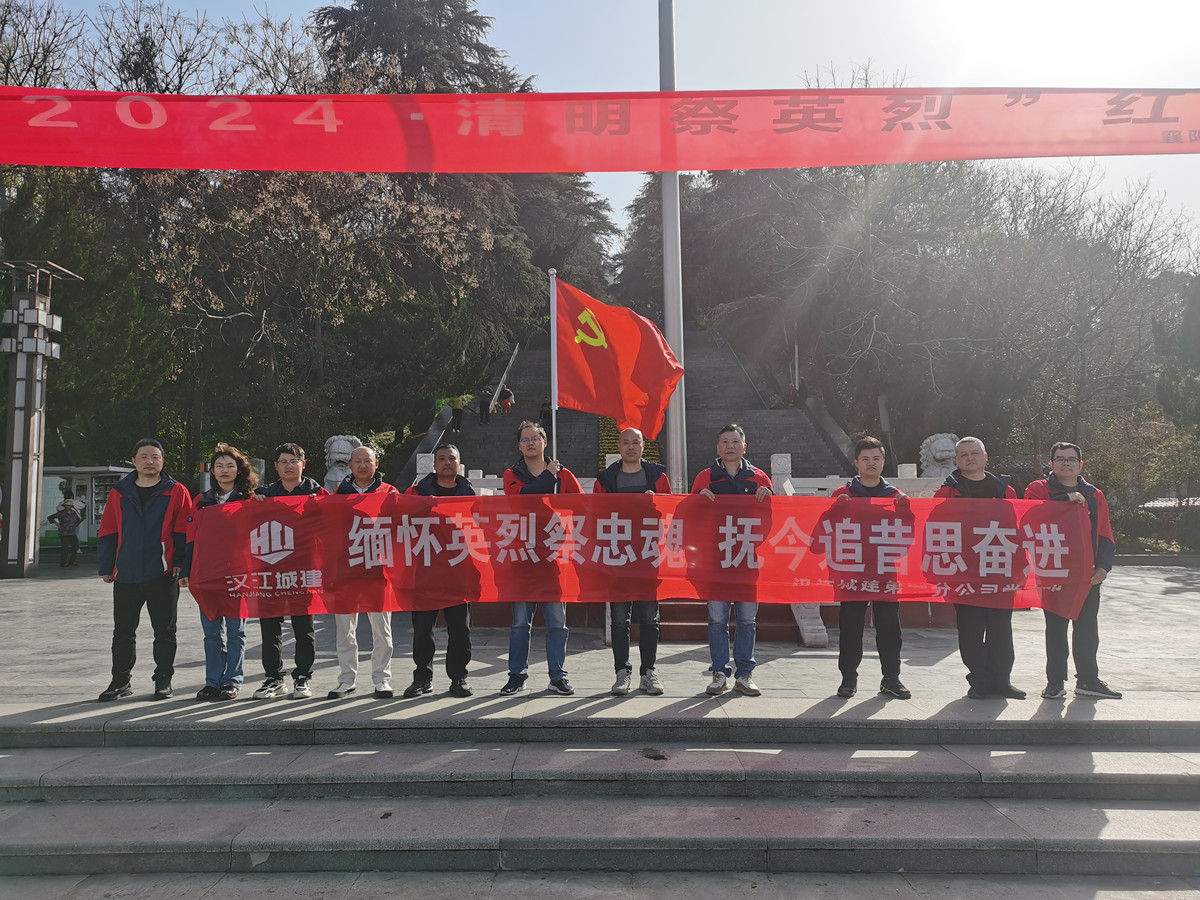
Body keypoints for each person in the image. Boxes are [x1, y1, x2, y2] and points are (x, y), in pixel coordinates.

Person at [96, 439, 192, 702]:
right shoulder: (120, 492)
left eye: (155, 457)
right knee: (123, 632)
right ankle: (120, 681)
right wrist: (106, 565)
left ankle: (163, 680)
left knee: (165, 632)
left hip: (163, 573)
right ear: (133, 461)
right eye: (144, 456)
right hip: (125, 573)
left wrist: (180, 563)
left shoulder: (176, 491)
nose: (150, 461)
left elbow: (184, 530)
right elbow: (108, 529)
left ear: (163, 461)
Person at [1024, 442, 1121, 700]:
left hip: (1087, 574)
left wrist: (1103, 566)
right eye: (1060, 459)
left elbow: (1105, 532)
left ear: (1081, 464)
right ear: (1051, 464)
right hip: (1054, 571)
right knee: (1056, 628)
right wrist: (1065, 499)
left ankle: (1088, 679)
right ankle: (1055, 682)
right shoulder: (1038, 489)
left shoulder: (1094, 494)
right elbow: (1030, 515)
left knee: (1087, 629)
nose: (1065, 463)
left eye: (1071, 459)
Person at [934, 436, 1024, 700]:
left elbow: (1016, 531)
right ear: (957, 460)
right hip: (963, 571)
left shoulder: (1006, 491)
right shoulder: (947, 493)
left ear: (986, 457)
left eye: (974, 453)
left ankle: (1002, 680)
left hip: (999, 568)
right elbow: (934, 531)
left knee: (1001, 627)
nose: (969, 458)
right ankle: (980, 680)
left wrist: (1021, 566)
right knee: (970, 629)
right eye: (963, 455)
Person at [500, 420, 583, 695]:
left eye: (535, 438)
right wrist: (548, 475)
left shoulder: (564, 475)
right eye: (525, 440)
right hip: (522, 556)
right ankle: (517, 675)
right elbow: (523, 497)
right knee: (520, 622)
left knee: (557, 622)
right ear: (519, 446)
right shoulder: (512, 474)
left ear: (545, 442)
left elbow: (583, 505)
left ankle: (557, 676)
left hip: (553, 557)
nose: (531, 443)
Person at [826, 437, 913, 700]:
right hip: (852, 570)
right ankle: (848, 679)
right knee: (851, 627)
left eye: (876, 458)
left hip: (885, 569)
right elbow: (822, 531)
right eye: (865, 459)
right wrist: (836, 511)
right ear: (856, 462)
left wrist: (906, 513)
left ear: (884, 462)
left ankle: (891, 679)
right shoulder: (843, 494)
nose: (871, 463)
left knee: (889, 627)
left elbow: (910, 536)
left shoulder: (896, 496)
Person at [691, 424, 773, 697]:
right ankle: (718, 673)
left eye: (735, 441)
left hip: (747, 557)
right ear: (718, 447)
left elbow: (772, 520)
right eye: (725, 442)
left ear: (744, 447)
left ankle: (745, 675)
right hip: (715, 559)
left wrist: (769, 499)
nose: (730, 446)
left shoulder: (759, 478)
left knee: (747, 620)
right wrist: (696, 499)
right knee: (717, 619)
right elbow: (688, 516)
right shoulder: (705, 477)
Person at [593, 427, 671, 696]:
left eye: (635, 442)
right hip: (617, 556)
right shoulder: (605, 479)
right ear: (618, 446)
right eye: (625, 442)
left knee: (650, 618)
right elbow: (595, 516)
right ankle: (621, 672)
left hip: (648, 555)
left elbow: (671, 511)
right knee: (619, 619)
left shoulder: (658, 477)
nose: (630, 447)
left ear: (642, 446)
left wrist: (656, 503)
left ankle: (648, 672)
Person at [179, 443, 257, 702]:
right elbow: (192, 537)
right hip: (207, 573)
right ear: (211, 471)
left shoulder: (250, 500)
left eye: (230, 466)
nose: (224, 470)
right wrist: (187, 569)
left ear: (239, 470)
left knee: (236, 631)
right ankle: (212, 681)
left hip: (238, 574)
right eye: (219, 466)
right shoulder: (201, 501)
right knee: (212, 632)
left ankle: (232, 681)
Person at [254, 442, 328, 700]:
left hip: (303, 569)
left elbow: (331, 525)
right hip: (270, 569)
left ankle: (302, 677)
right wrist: (253, 503)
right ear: (275, 466)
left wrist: (320, 505)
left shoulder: (317, 493)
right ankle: (274, 678)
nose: (289, 466)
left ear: (303, 465)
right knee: (270, 627)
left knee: (303, 627)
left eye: (294, 461)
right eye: (283, 462)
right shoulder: (263, 494)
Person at [405, 442, 476, 698]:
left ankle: (459, 678)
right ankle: (422, 678)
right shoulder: (416, 493)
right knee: (423, 630)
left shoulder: (470, 495)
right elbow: (399, 521)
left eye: (451, 459)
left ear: (459, 464)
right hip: (425, 571)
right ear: (434, 465)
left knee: (460, 630)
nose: (447, 463)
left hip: (458, 571)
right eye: (442, 458)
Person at [329, 445, 399, 699]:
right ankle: (346, 679)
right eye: (357, 461)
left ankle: (382, 679)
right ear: (350, 465)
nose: (362, 465)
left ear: (376, 464)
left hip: (378, 569)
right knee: (345, 628)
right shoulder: (339, 494)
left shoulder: (389, 492)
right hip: (346, 568)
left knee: (382, 628)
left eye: (367, 460)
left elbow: (400, 525)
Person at [48, 498, 83, 567]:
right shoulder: (61, 513)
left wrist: (75, 525)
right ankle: (64, 562)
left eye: (69, 505)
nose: (68, 507)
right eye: (66, 505)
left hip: (72, 532)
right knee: (65, 547)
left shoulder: (74, 513)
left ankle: (72, 560)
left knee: (75, 546)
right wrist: (58, 525)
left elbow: (79, 519)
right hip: (64, 532)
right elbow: (50, 517)